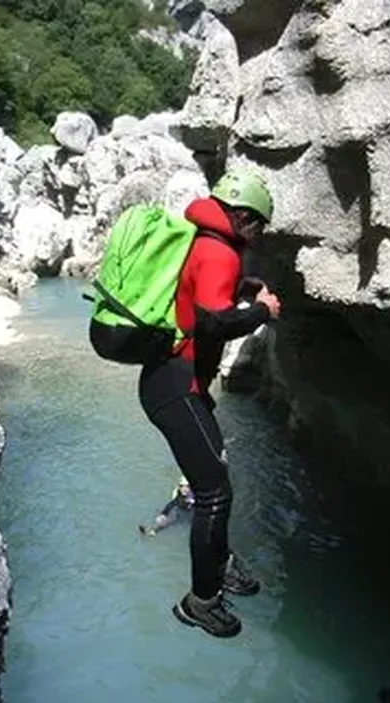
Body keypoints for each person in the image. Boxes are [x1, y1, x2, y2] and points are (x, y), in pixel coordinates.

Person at [138, 170, 282, 638]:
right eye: (258, 225)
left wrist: (242, 291)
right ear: (241, 217)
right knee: (214, 492)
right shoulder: (219, 250)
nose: (259, 235)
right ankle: (200, 602)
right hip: (177, 389)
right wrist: (262, 311)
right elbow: (214, 326)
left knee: (215, 478)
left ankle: (222, 565)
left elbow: (197, 300)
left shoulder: (202, 240)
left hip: (174, 383)